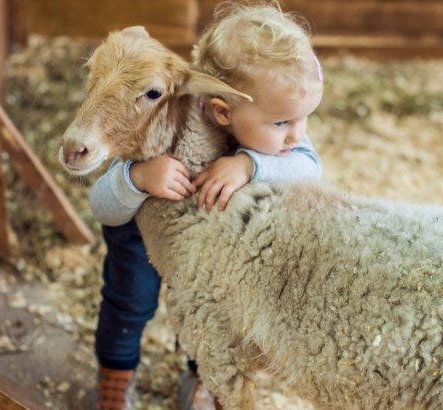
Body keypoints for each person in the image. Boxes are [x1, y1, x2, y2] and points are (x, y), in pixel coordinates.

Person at [89, 4, 324, 409]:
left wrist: (250, 163)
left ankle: (202, 376)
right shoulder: (161, 118)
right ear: (222, 110)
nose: (296, 137)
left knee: (211, 310)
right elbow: (101, 205)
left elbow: (310, 170)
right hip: (140, 240)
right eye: (283, 123)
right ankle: (115, 375)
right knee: (129, 305)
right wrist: (139, 178)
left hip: (209, 246)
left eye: (304, 119)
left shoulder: (275, 137)